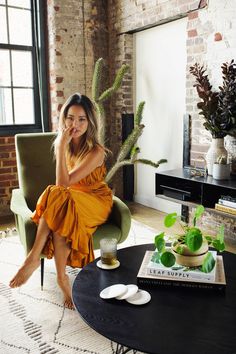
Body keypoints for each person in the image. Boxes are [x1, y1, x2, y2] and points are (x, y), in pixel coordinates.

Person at [9, 93, 113, 309]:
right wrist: (62, 145)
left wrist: (58, 146)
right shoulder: (66, 144)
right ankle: (61, 277)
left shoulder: (96, 151)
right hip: (70, 198)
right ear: (64, 118)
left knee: (56, 193)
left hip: (95, 200)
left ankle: (32, 258)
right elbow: (64, 188)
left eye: (82, 119)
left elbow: (62, 183)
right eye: (70, 117)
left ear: (90, 122)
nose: (75, 124)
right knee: (60, 206)